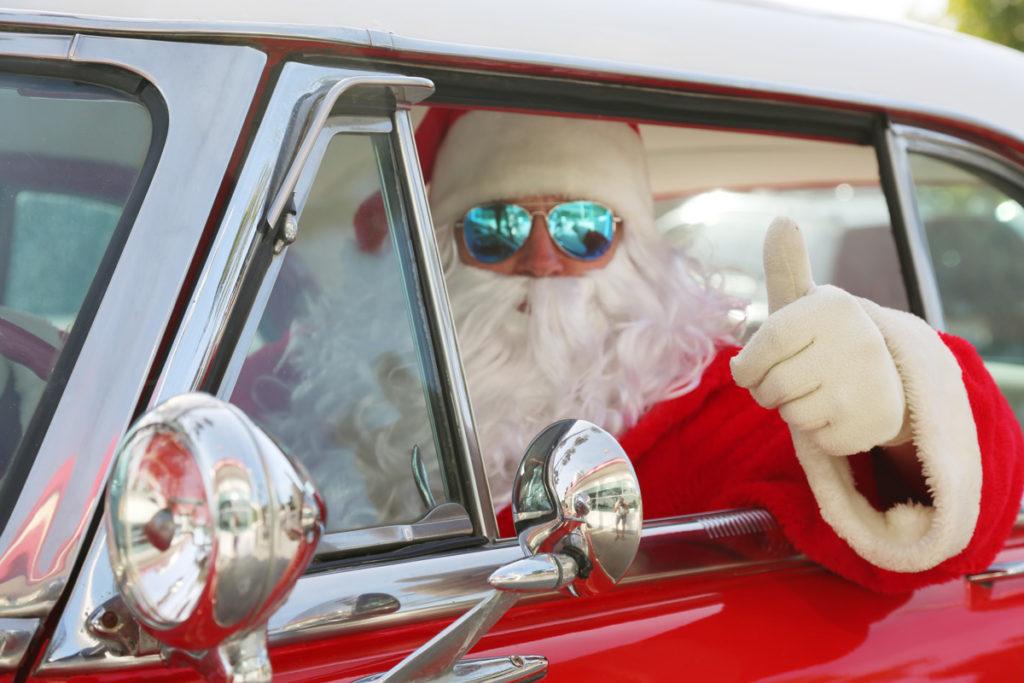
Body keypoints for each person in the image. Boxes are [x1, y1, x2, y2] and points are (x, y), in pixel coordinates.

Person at [416, 108, 1024, 594]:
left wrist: (895, 411)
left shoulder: (709, 403)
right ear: (444, 253)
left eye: (583, 227)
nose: (544, 261)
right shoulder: (370, 404)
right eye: (495, 230)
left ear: (635, 248)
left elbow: (945, 540)